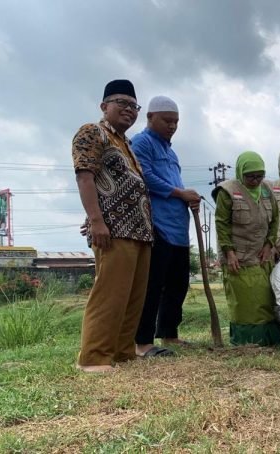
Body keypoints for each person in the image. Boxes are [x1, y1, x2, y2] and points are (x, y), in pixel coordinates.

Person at [72, 79, 153, 373]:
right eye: (122, 103)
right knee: (110, 293)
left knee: (133, 297)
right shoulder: (92, 132)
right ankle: (93, 358)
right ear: (104, 106)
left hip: (140, 230)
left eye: (134, 106)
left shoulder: (126, 144)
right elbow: (84, 176)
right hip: (113, 228)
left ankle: (121, 352)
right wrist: (95, 221)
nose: (129, 110)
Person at [130, 96, 201, 358]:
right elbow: (143, 176)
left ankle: (169, 333)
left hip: (178, 228)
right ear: (150, 117)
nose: (172, 126)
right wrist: (180, 193)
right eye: (167, 120)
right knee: (153, 284)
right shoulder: (141, 142)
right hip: (156, 225)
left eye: (176, 121)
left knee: (178, 283)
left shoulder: (171, 152)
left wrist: (187, 198)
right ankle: (143, 342)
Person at [214, 151, 280, 346]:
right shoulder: (227, 191)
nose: (255, 181)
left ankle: (269, 339)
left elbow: (276, 219)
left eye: (259, 176)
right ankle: (248, 341)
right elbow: (222, 223)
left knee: (267, 299)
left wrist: (270, 244)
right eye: (250, 176)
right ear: (240, 173)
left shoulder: (268, 190)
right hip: (238, 256)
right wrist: (229, 252)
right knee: (246, 302)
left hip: (262, 255)